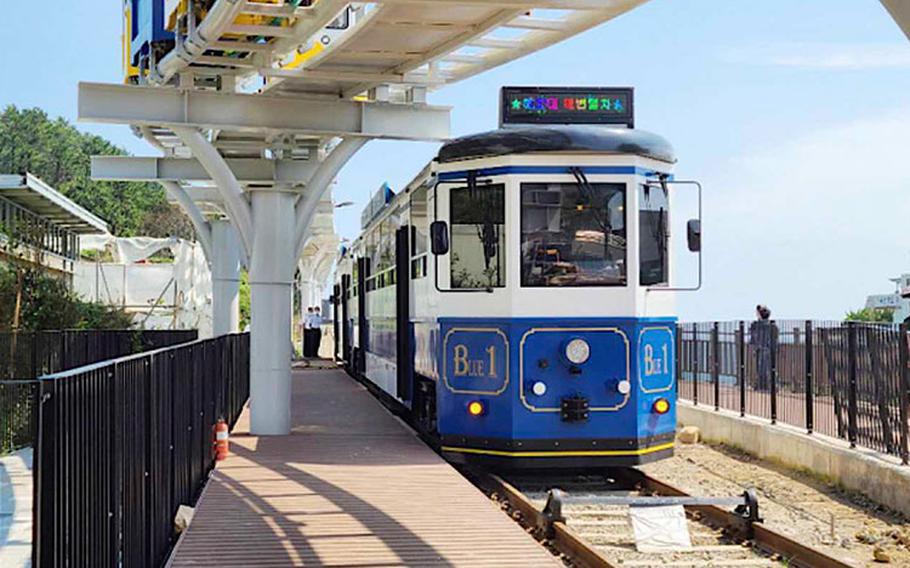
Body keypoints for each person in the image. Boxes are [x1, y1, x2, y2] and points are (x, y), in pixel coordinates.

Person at [749, 305, 778, 391]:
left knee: (762, 368)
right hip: (769, 349)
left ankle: (763, 386)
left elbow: (754, 338)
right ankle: (769, 386)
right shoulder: (772, 325)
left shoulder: (757, 325)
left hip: (762, 348)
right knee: (769, 368)